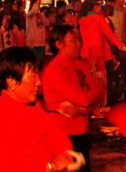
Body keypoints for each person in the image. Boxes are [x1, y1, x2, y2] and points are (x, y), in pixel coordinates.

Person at [0, 47, 78, 172]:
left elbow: (61, 141)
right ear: (12, 81)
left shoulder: (33, 107)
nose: (39, 82)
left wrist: (60, 158)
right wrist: (52, 166)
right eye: (33, 76)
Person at [42, 25, 103, 171]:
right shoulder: (56, 69)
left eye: (78, 40)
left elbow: (95, 95)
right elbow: (84, 99)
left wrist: (85, 107)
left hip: (81, 130)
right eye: (73, 41)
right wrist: (88, 101)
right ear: (59, 44)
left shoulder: (80, 65)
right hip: (63, 134)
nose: (78, 44)